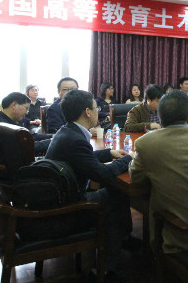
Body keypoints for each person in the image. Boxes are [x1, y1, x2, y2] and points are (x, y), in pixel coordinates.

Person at [45, 89, 131, 281]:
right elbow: (102, 174)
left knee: (114, 192)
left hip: (60, 195)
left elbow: (83, 157)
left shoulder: (68, 131)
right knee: (116, 193)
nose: (98, 112)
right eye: (95, 108)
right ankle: (107, 267)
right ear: (87, 112)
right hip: (67, 208)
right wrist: (128, 159)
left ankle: (123, 238)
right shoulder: (76, 139)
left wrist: (109, 153)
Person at [129, 90, 188, 253]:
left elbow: (137, 179)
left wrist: (134, 158)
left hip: (180, 238)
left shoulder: (145, 143)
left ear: (160, 117)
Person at [0, 92, 52, 166]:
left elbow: (30, 136)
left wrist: (52, 136)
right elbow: (26, 147)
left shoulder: (7, 120)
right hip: (13, 169)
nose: (27, 113)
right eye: (26, 108)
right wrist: (51, 141)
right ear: (14, 105)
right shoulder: (3, 127)